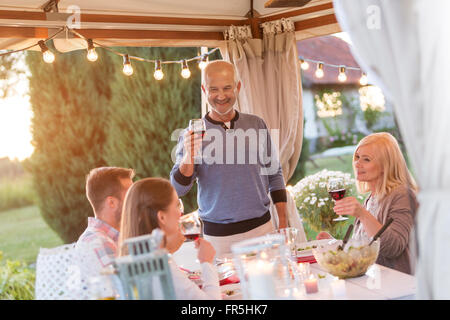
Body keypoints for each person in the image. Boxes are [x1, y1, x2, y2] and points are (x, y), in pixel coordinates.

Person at [170, 60, 288, 256]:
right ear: (204, 89)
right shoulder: (191, 134)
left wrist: (282, 223)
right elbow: (178, 189)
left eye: (227, 88)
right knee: (227, 288)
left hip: (263, 229)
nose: (221, 96)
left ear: (238, 87)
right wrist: (189, 157)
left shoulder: (257, 124)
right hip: (218, 239)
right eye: (214, 89)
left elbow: (274, 173)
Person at [317, 132, 419, 274]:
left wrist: (362, 214)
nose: (357, 163)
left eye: (366, 159)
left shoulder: (402, 195)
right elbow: (365, 248)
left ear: (386, 165)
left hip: (398, 285)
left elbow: (393, 248)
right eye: (357, 157)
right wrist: (334, 244)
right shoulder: (371, 198)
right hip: (374, 280)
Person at [118, 177, 221, 300]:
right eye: (177, 205)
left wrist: (168, 249)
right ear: (162, 217)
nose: (180, 213)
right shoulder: (161, 267)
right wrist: (206, 262)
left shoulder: (138, 260)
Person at [75, 167, 134, 280]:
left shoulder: (116, 237)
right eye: (131, 194)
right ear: (111, 202)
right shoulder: (96, 243)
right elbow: (125, 289)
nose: (136, 199)